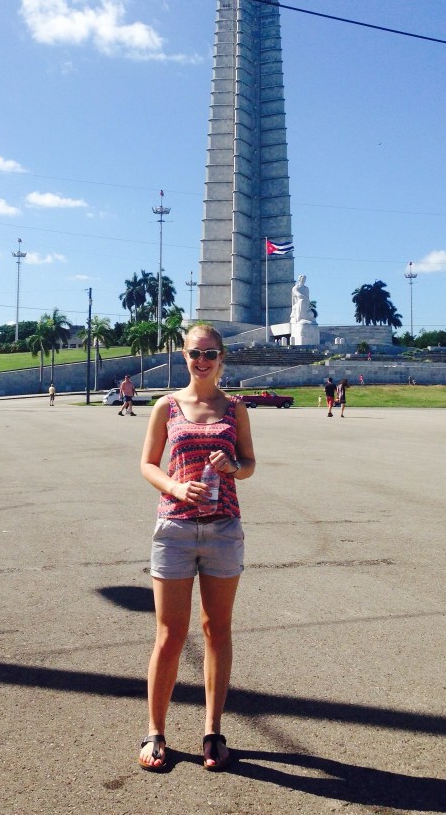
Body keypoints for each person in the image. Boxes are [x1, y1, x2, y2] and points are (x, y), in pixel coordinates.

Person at [139, 324, 256, 773]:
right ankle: (155, 731)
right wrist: (174, 486)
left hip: (223, 529)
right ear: (183, 356)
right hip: (175, 528)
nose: (202, 361)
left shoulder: (236, 408)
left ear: (222, 357)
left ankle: (212, 730)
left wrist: (233, 466)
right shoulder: (166, 406)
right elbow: (147, 463)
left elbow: (249, 464)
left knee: (217, 630)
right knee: (169, 635)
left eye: (209, 353)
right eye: (194, 353)